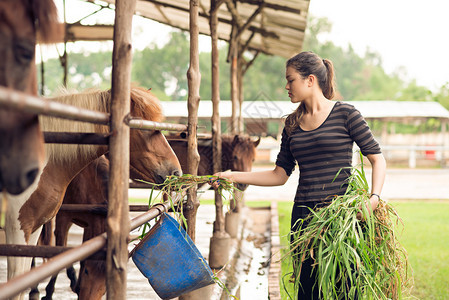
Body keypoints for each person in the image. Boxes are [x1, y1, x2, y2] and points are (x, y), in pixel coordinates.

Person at [210, 51, 386, 299]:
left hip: (342, 216)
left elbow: (377, 158)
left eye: (290, 80)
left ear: (310, 80)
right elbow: (279, 174)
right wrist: (234, 176)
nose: (286, 86)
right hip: (304, 218)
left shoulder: (346, 114)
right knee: (307, 290)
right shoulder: (291, 124)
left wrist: (374, 198)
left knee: (345, 290)